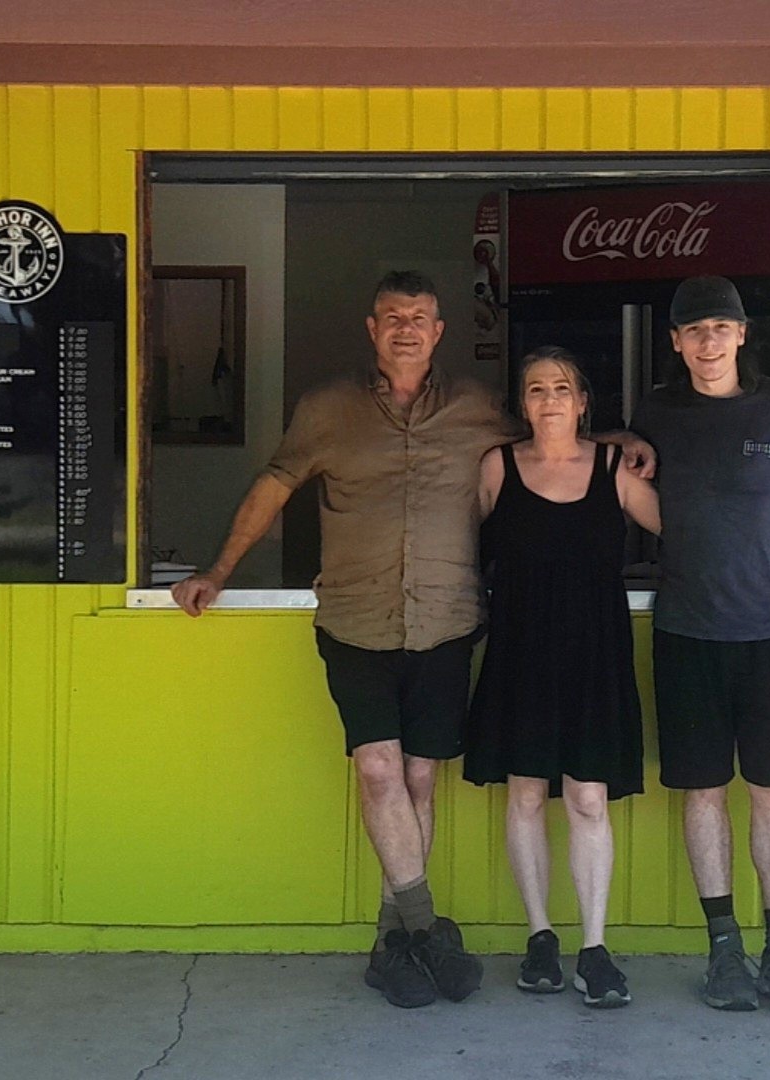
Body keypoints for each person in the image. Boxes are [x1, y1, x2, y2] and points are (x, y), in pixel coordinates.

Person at [172, 271, 653, 1009]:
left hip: (443, 624)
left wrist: (616, 441)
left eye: (419, 317)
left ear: (438, 332)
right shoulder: (326, 408)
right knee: (377, 773)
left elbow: (552, 439)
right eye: (392, 316)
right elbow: (274, 485)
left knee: (420, 782)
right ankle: (424, 931)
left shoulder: (476, 409)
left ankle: (387, 944)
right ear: (372, 329)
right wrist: (217, 569)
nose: (405, 327)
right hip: (356, 620)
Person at [631, 276, 770, 1019]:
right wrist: (624, 443)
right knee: (701, 790)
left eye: (720, 328)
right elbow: (648, 487)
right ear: (673, 341)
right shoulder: (657, 411)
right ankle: (722, 946)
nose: (707, 342)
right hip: (685, 629)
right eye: (693, 331)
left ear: (742, 335)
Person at [464, 348, 660, 1009]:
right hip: (520, 649)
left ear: (582, 402)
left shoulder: (613, 468)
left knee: (586, 800)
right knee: (522, 795)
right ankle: (540, 937)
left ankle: (594, 947)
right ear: (522, 404)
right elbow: (446, 541)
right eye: (535, 389)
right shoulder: (495, 467)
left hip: (594, 653)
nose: (549, 399)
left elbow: (686, 532)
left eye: (562, 388)